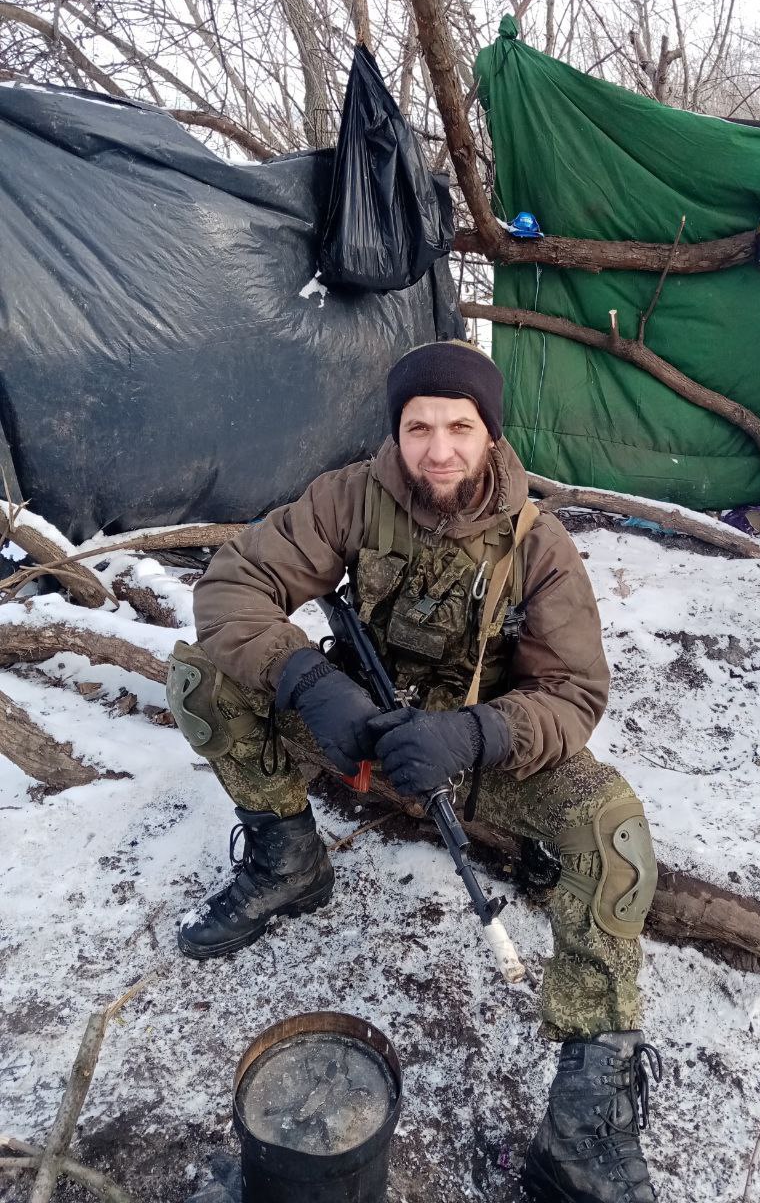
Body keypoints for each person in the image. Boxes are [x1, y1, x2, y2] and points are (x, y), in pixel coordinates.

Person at [166, 339, 662, 1202]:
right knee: (201, 680)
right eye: (418, 428)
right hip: (358, 730)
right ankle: (289, 863)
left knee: (609, 822)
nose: (438, 450)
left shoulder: (538, 544)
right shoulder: (351, 497)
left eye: (459, 428)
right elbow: (233, 587)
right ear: (395, 432)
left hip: (472, 757)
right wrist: (309, 681)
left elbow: (575, 693)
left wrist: (476, 733)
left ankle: (582, 1128)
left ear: (491, 435)